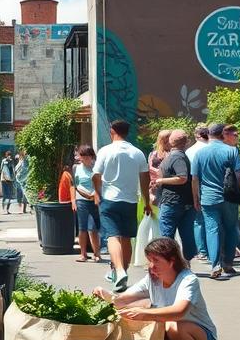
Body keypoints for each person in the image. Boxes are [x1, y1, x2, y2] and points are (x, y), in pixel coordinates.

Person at [95, 237, 218, 340]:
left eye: (156, 260)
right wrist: (105, 295)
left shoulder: (188, 280)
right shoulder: (151, 279)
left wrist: (144, 313)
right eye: (149, 260)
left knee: (170, 323)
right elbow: (121, 300)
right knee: (146, 320)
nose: (151, 266)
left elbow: (179, 311)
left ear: (172, 260)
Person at [91, 119, 150, 291]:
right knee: (126, 238)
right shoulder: (137, 152)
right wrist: (146, 201)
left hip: (109, 199)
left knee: (112, 236)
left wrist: (97, 192)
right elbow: (145, 178)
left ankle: (118, 270)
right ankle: (123, 273)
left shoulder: (105, 151)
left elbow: (96, 175)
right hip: (130, 200)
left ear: (112, 131)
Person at [191, 123, 240, 280]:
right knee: (231, 228)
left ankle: (215, 265)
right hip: (229, 197)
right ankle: (228, 263)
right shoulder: (231, 151)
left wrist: (196, 198)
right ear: (222, 134)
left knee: (212, 230)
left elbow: (195, 179)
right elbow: (239, 175)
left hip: (208, 198)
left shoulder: (200, 154)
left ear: (208, 134)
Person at [153, 130, 198, 259]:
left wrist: (160, 181)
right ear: (186, 142)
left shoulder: (177, 157)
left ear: (170, 142)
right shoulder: (177, 156)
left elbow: (182, 177)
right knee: (186, 234)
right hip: (182, 202)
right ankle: (184, 262)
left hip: (172, 202)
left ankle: (171, 263)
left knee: (167, 236)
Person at [185, 125, 212, 262]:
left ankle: (202, 251)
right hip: (213, 188)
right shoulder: (211, 149)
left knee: (198, 221)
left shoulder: (189, 151)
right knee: (213, 222)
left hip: (195, 186)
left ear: (196, 136)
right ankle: (214, 249)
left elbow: (191, 174)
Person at [72, 146, 101, 262]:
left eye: (87, 156)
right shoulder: (76, 168)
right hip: (82, 200)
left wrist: (96, 195)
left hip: (95, 200)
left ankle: (97, 253)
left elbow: (101, 183)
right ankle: (83, 254)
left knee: (93, 228)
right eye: (82, 156)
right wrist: (73, 200)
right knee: (82, 228)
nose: (84, 158)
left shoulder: (97, 168)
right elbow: (74, 185)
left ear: (92, 156)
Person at [148, 129, 171, 208]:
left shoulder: (154, 154)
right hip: (156, 186)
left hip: (165, 187)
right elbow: (150, 169)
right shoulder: (154, 154)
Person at [15, 149, 31, 214]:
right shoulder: (22, 160)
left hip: (22, 179)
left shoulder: (24, 160)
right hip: (21, 179)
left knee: (24, 193)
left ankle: (24, 209)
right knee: (23, 193)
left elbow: (24, 168)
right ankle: (23, 208)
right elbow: (24, 168)